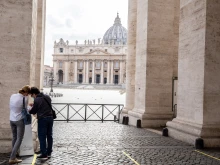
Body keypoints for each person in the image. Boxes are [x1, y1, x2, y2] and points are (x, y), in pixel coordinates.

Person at [29, 87, 53, 160]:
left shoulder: (37, 99)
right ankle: (49, 151)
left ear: (34, 93)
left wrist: (30, 109)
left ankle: (44, 153)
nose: (32, 97)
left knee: (42, 136)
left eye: (32, 95)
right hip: (50, 117)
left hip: (43, 119)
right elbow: (44, 105)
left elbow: (33, 111)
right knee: (49, 135)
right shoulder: (47, 96)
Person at [9, 85, 31, 164]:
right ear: (26, 92)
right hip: (19, 120)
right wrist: (30, 106)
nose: (28, 95)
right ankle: (12, 158)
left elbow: (13, 106)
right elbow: (25, 109)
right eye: (28, 93)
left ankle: (14, 153)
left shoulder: (13, 96)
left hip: (11, 119)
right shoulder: (24, 99)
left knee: (14, 137)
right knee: (19, 138)